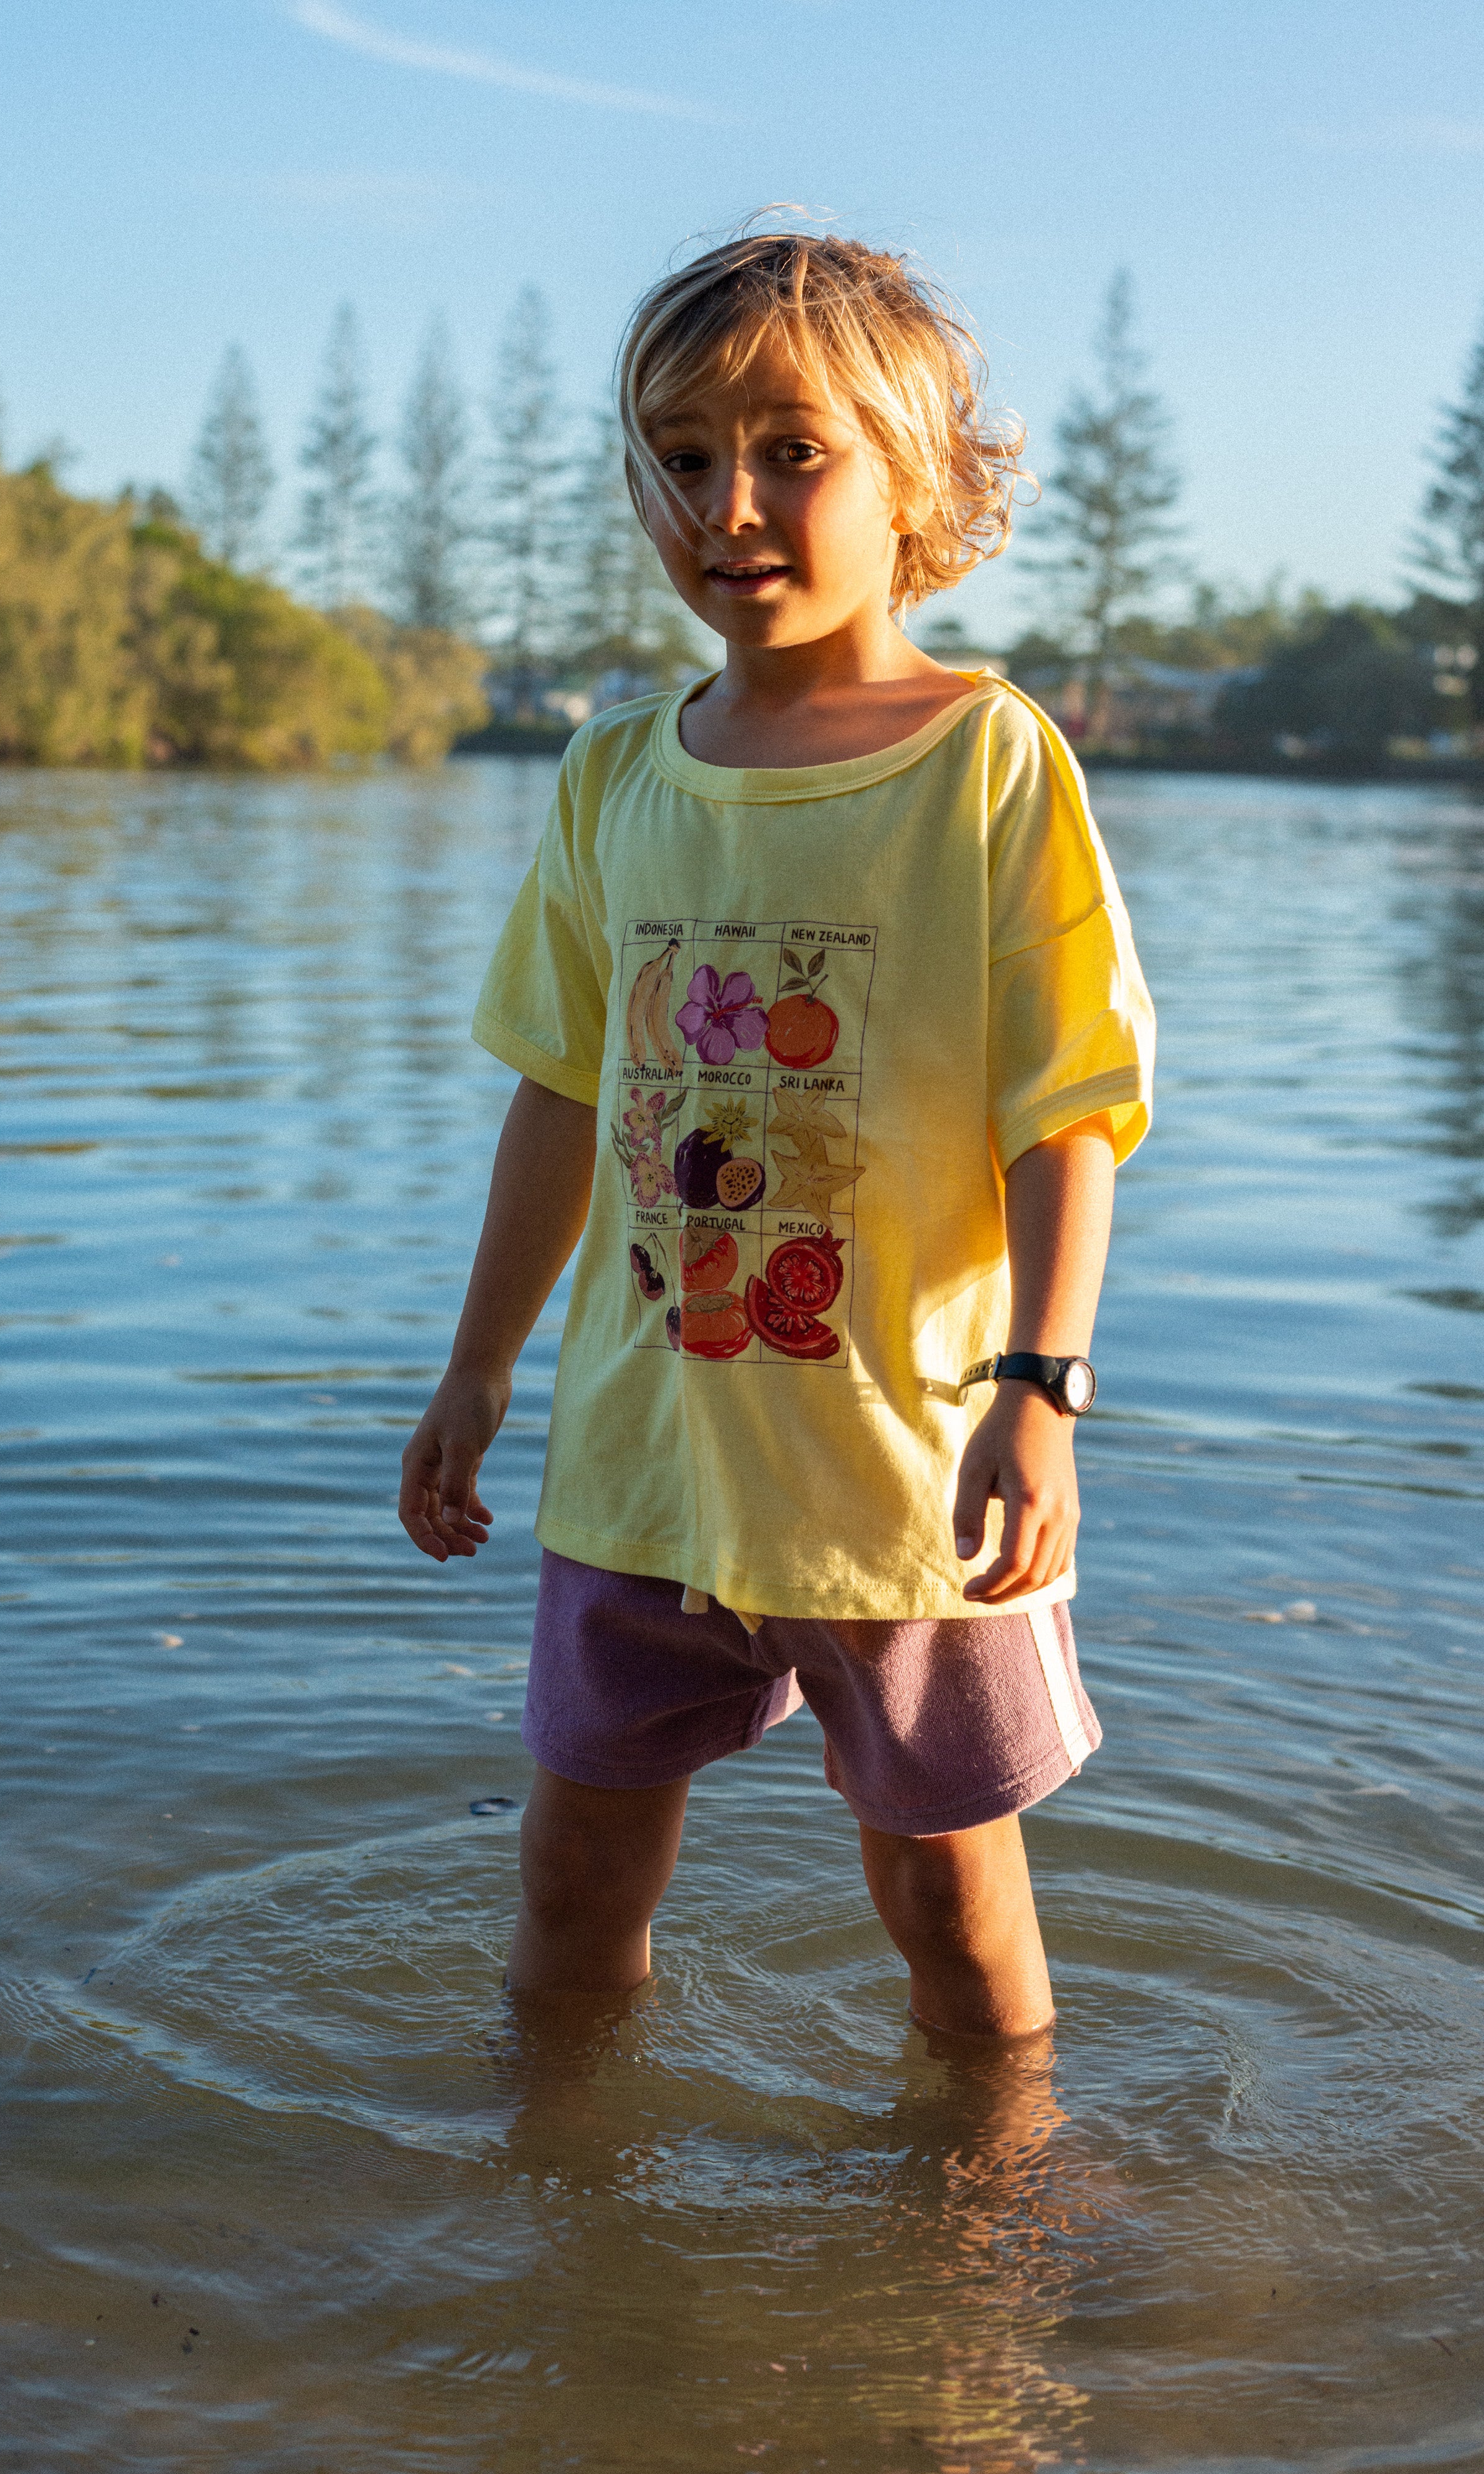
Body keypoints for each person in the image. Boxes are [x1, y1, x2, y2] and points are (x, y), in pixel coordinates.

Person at [399, 228, 1154, 2040]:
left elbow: (1072, 1115)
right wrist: (479, 1367)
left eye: (791, 450)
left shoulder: (984, 764)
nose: (726, 502)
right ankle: (560, 2245)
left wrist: (1038, 1394)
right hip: (647, 1460)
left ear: (918, 481)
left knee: (948, 1907)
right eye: (678, 455)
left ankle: (997, 2243)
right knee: (572, 1892)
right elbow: (567, 1093)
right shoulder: (614, 775)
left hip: (903, 1483)